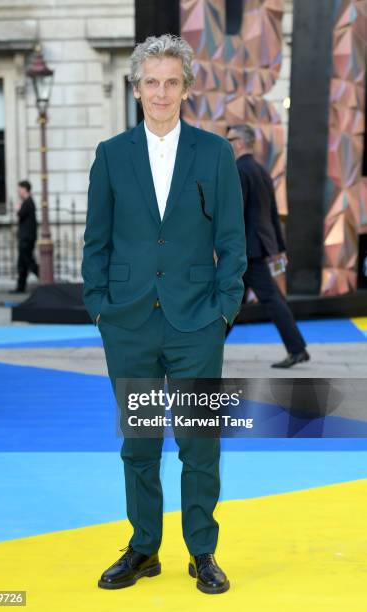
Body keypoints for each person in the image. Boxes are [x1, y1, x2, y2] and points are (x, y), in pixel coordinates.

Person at [82, 34, 247, 594]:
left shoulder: (215, 153)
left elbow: (233, 240)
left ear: (186, 88)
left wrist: (223, 312)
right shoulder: (111, 155)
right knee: (141, 443)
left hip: (198, 322)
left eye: (171, 81)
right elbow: (95, 242)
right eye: (150, 81)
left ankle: (202, 552)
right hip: (127, 323)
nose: (160, 91)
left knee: (200, 443)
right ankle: (144, 548)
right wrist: (100, 309)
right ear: (136, 89)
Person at [227, 124, 310, 368]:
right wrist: (279, 247)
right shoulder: (261, 171)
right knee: (232, 301)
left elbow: (235, 215)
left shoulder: (240, 171)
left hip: (246, 251)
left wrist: (223, 248)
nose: (227, 143)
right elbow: (272, 213)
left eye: (229, 139)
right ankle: (208, 350)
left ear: (240, 143)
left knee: (269, 299)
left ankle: (297, 349)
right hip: (258, 246)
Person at [11, 180, 39, 293]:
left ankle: (45, 279)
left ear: (24, 189)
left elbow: (20, 214)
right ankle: (20, 287)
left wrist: (18, 208)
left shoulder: (28, 202)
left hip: (27, 238)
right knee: (22, 263)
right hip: (26, 237)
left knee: (28, 262)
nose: (18, 192)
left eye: (19, 189)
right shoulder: (28, 202)